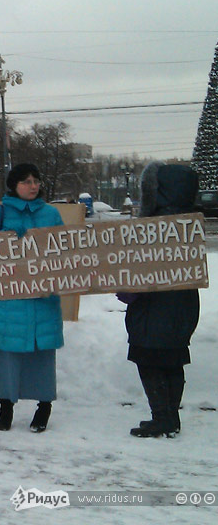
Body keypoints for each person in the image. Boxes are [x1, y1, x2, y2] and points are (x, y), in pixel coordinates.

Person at [0, 163, 64, 432]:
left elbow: (66, 251)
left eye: (36, 180)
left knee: (42, 359)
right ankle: (6, 407)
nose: (33, 185)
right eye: (26, 181)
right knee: (6, 359)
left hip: (42, 302)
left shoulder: (51, 214)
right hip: (7, 303)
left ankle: (44, 407)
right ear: (14, 185)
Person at [119, 162, 200, 438]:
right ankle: (171, 418)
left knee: (149, 360)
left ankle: (162, 418)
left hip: (152, 310)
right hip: (184, 307)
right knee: (173, 359)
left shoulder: (150, 227)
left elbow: (135, 278)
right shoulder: (189, 224)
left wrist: (124, 289)